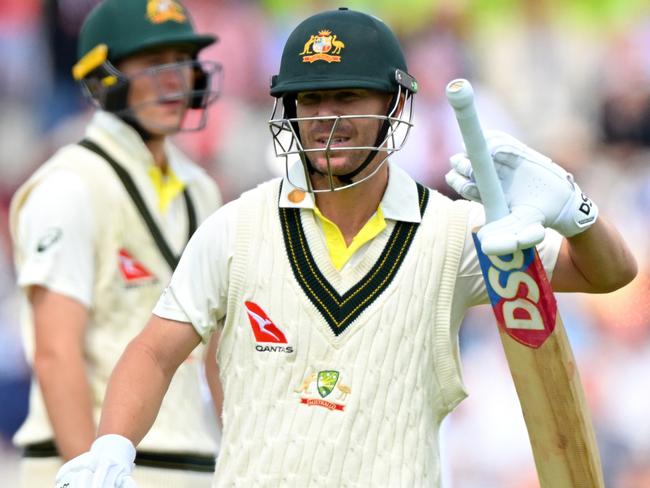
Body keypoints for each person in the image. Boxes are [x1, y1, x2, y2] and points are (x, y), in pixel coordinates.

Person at [55, 7, 637, 488]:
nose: (326, 119)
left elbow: (607, 274)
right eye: (310, 101)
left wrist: (576, 213)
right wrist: (112, 444)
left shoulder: (455, 233)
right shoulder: (237, 228)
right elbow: (156, 351)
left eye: (348, 98)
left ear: (395, 105)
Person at [9, 0, 224, 486]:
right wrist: (90, 475)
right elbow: (54, 353)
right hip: (91, 466)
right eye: (153, 64)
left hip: (191, 464)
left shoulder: (202, 189)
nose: (176, 80)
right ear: (104, 77)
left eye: (183, 61)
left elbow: (218, 352)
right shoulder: (69, 185)